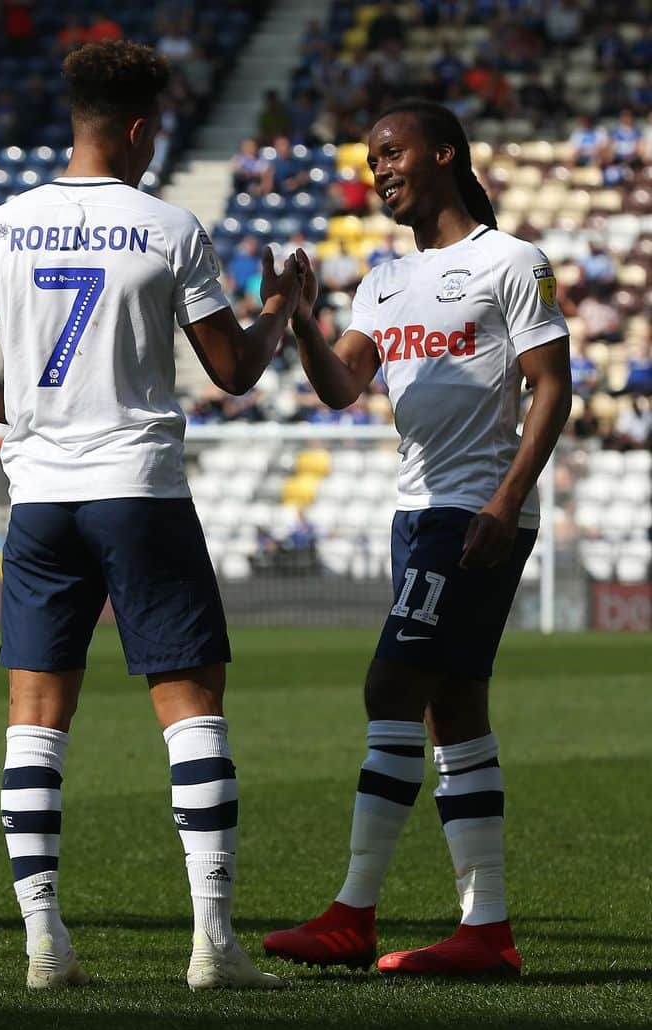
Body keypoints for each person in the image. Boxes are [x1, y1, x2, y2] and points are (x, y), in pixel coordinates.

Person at [0, 40, 298, 992]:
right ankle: (213, 944)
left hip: (42, 498)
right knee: (190, 707)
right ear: (141, 126)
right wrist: (283, 310)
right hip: (138, 492)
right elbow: (233, 370)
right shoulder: (168, 226)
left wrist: (39, 421)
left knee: (35, 719)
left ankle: (44, 942)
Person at [263, 100, 571, 978]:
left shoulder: (512, 262)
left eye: (392, 154)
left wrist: (505, 502)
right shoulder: (386, 281)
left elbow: (552, 387)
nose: (380, 170)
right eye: (371, 161)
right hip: (417, 510)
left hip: (472, 510)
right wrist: (299, 321)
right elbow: (341, 385)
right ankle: (487, 930)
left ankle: (351, 914)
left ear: (444, 153)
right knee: (454, 708)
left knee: (391, 684)